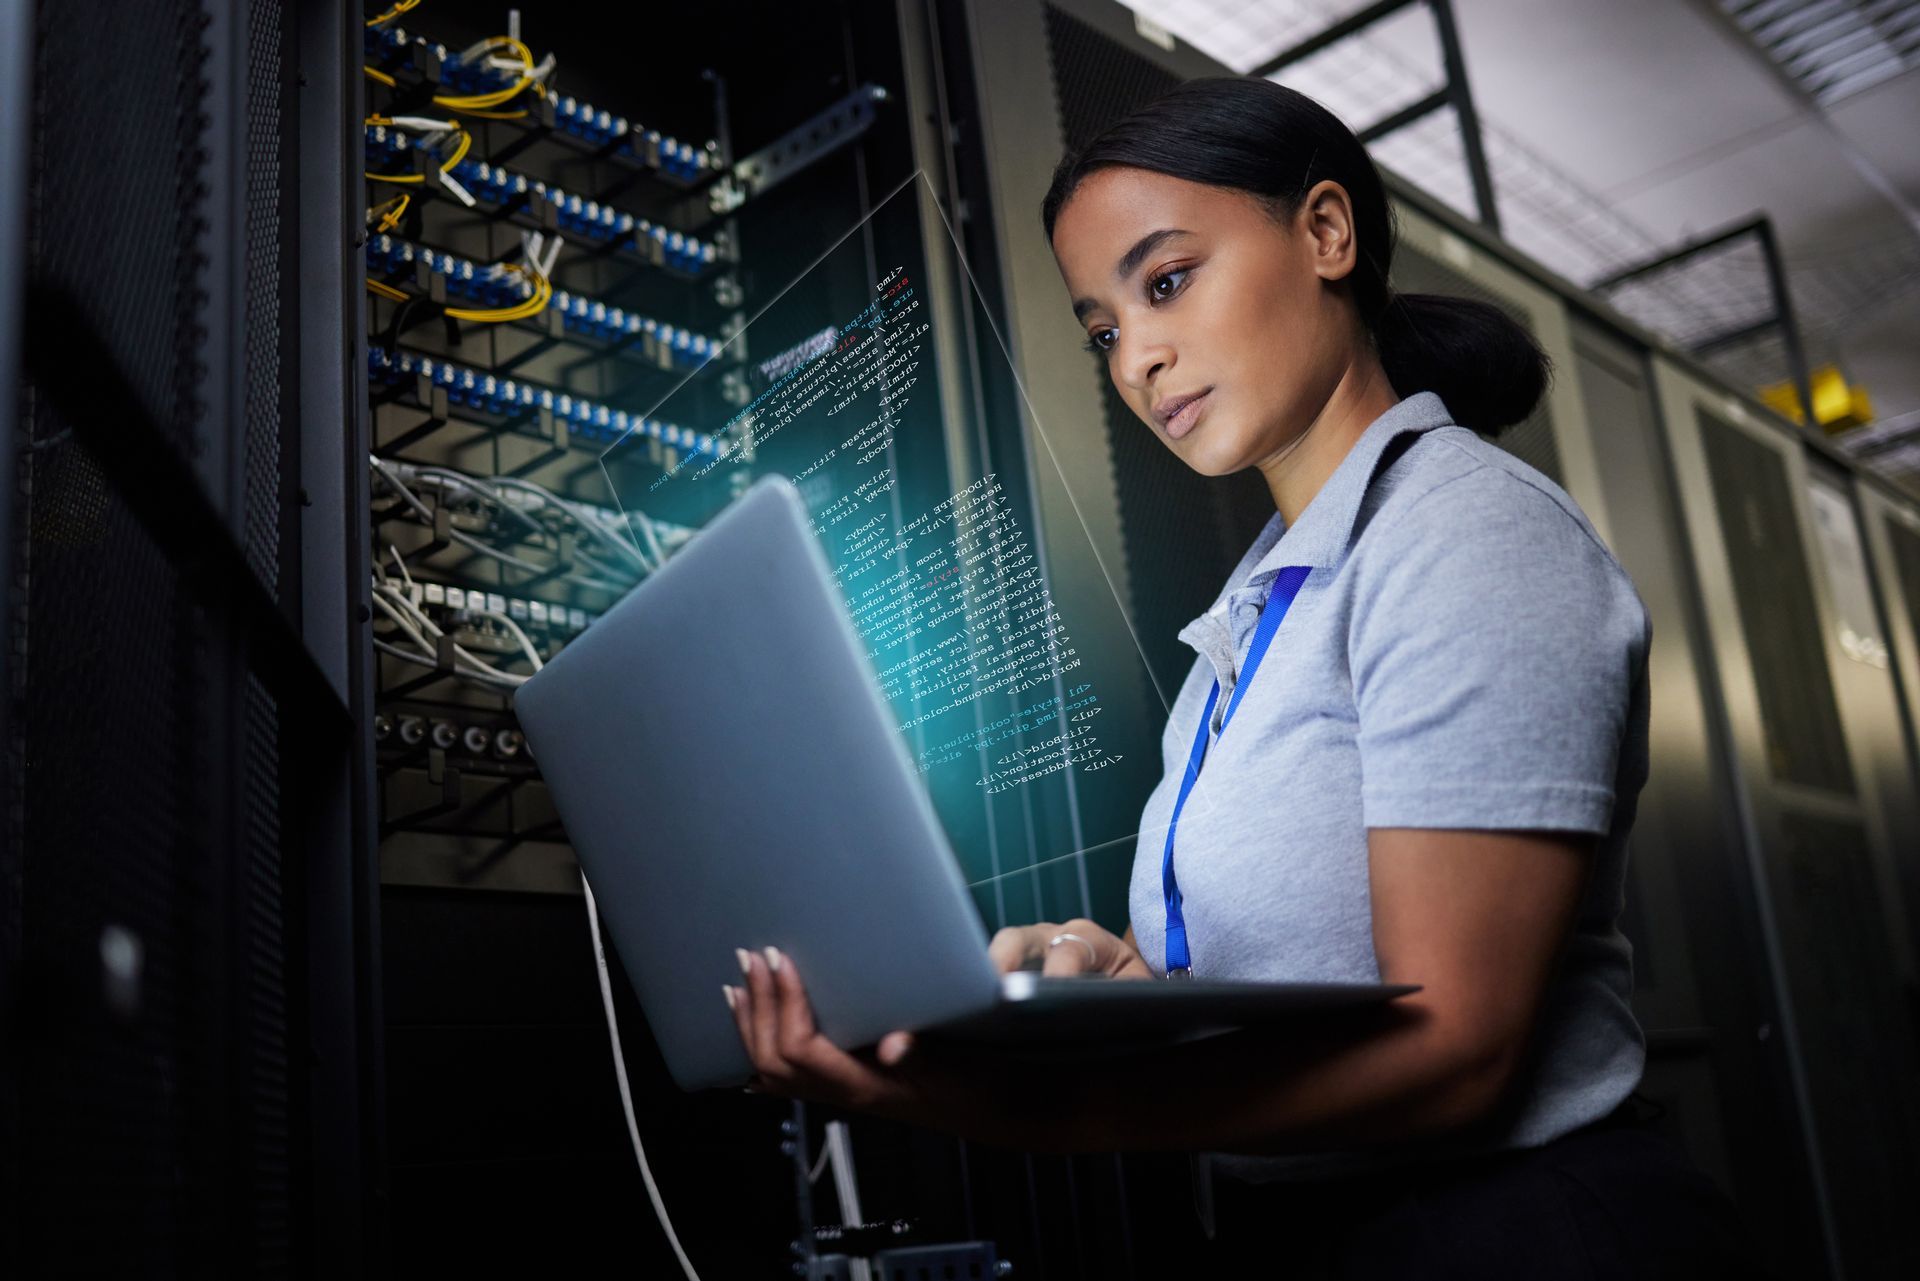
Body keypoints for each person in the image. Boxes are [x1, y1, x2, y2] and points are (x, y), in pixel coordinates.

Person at [721, 75, 1768, 1277]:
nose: (1138, 360)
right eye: (1104, 329)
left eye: (1165, 282)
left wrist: (1021, 1111)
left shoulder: (1467, 537)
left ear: (1327, 233)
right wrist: (1133, 975)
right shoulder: (1260, 611)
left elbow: (1457, 1050)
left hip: (1516, 1235)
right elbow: (1299, 963)